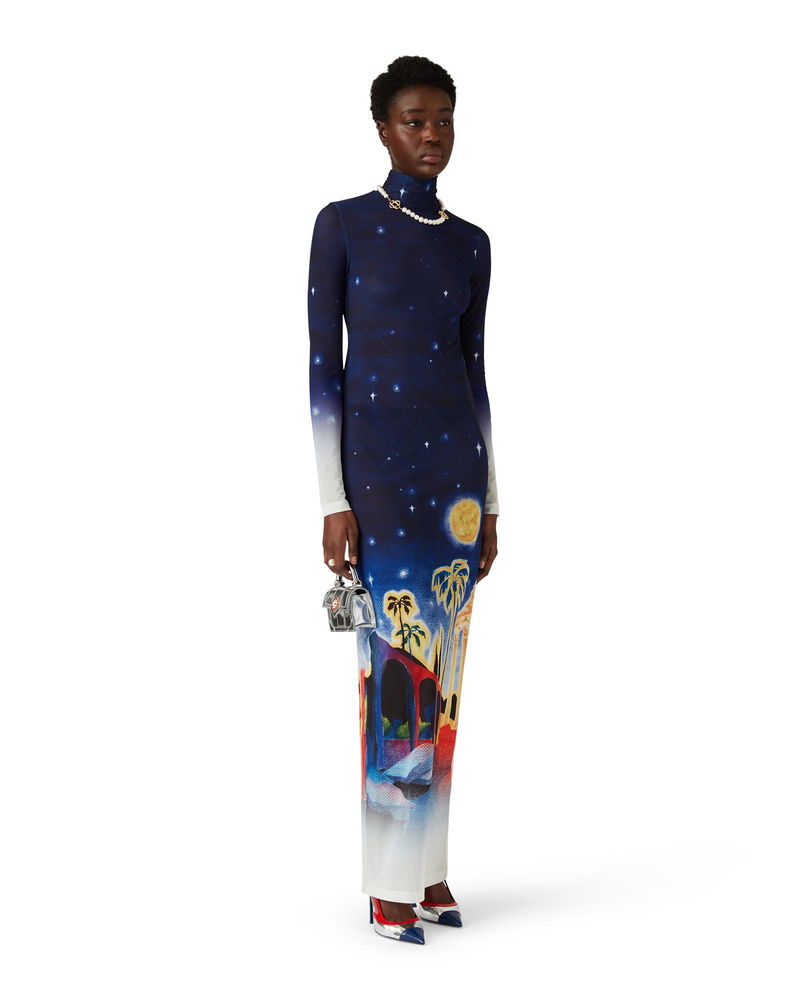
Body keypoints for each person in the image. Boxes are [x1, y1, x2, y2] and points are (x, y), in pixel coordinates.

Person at [307, 55, 500, 944]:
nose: (432, 136)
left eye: (444, 120)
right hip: (379, 484)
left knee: (444, 680)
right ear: (382, 128)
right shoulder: (343, 225)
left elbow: (474, 373)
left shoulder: (472, 244)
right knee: (395, 674)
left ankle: (425, 867)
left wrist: (491, 502)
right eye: (415, 121)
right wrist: (331, 498)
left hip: (455, 487)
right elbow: (324, 373)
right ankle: (388, 878)